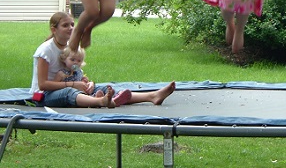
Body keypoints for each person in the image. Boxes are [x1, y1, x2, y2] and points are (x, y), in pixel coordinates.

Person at [29, 12, 176, 108]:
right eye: (65, 25)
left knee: (107, 88)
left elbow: (75, 69)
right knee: (69, 92)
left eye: (73, 24)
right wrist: (74, 85)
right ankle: (100, 101)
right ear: (54, 29)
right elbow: (42, 85)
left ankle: (151, 96)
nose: (71, 28)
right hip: (44, 96)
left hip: (70, 85)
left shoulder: (70, 45)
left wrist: (87, 83)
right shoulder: (45, 50)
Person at [55, 46, 131, 103]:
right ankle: (99, 99)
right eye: (72, 60)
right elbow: (55, 86)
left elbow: (82, 80)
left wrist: (87, 82)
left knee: (101, 87)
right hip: (72, 95)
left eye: (79, 61)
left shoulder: (79, 72)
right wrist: (71, 84)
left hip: (83, 92)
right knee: (77, 95)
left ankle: (113, 96)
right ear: (64, 59)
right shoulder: (61, 73)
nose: (75, 62)